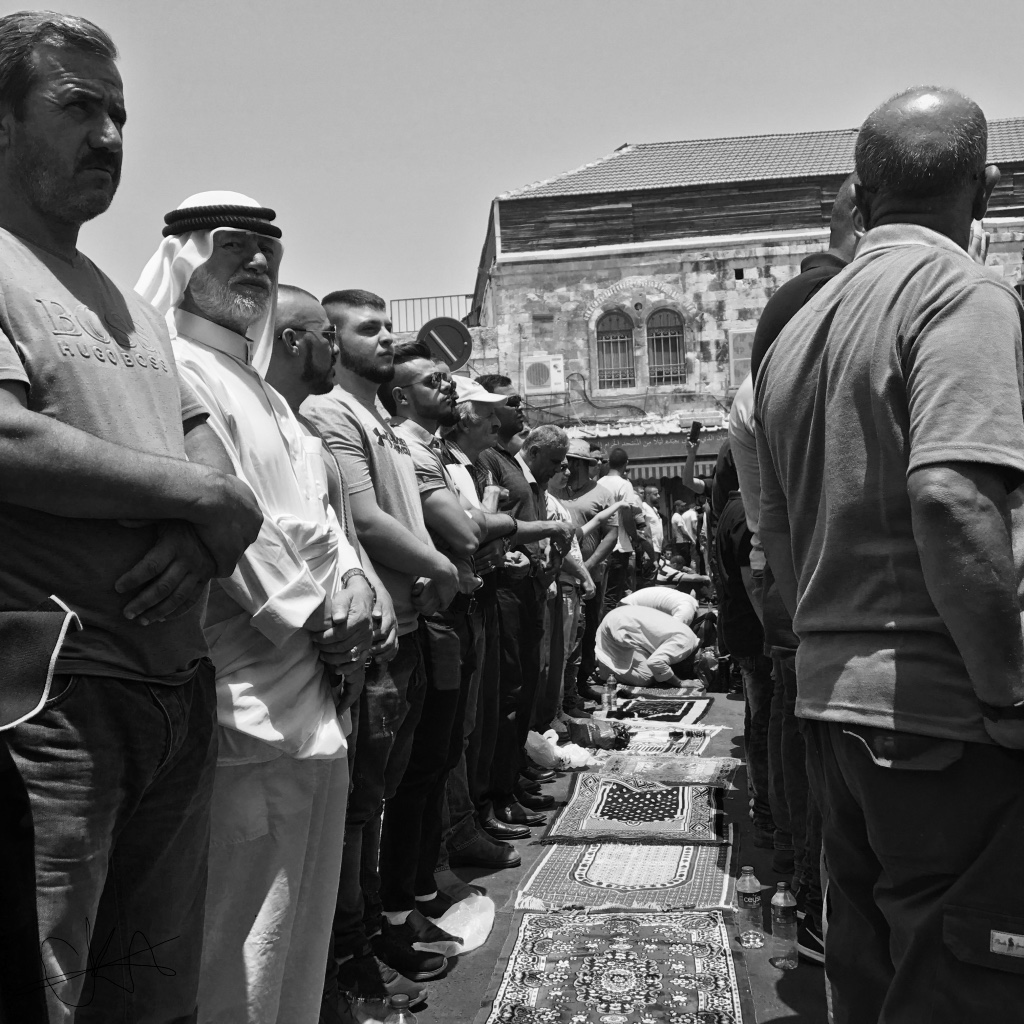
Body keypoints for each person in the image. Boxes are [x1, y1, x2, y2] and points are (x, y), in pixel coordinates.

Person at [0, 15, 263, 1022]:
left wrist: (205, 530)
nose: (109, 133)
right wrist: (198, 501)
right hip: (52, 704)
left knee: (152, 992)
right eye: (77, 107)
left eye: (118, 113)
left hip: (174, 692)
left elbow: (216, 467)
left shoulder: (131, 306)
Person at [757, 86, 1024, 1023]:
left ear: (861, 191)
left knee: (871, 974)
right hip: (944, 714)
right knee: (962, 982)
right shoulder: (963, 291)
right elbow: (953, 497)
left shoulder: (797, 330)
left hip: (838, 699)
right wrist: (1006, 688)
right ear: (984, 187)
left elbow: (776, 531)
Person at [137, 194, 377, 1024]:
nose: (258, 264)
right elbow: (229, 513)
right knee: (231, 948)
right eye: (235, 246)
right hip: (237, 707)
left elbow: (329, 525)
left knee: (299, 942)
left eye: (269, 249)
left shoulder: (275, 401)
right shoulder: (171, 370)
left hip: (318, 700)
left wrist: (352, 588)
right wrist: (319, 608)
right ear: (184, 257)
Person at [302, 290, 460, 1004]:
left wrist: (428, 573)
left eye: (387, 324)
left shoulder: (384, 423)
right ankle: (352, 957)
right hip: (375, 634)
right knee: (360, 808)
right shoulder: (330, 411)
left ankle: (373, 933)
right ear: (329, 339)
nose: (387, 336)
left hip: (408, 621)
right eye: (368, 328)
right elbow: (360, 519)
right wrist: (441, 567)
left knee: (384, 796)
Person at [730, 174, 863, 964]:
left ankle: (807, 891)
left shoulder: (762, 391)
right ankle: (815, 898)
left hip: (799, 591)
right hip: (827, 600)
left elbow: (767, 522)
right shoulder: (797, 389)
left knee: (797, 724)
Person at [377, 341, 492, 954]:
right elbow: (465, 531)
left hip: (444, 616)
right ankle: (403, 899)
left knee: (440, 752)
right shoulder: (406, 445)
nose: (449, 389)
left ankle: (420, 884)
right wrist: (452, 563)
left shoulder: (432, 450)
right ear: (400, 396)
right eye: (432, 382)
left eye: (449, 380)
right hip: (429, 617)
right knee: (419, 766)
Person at [436, 378, 531, 866]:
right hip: (450, 602)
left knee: (478, 716)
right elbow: (471, 529)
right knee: (454, 730)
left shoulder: (469, 462)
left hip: (477, 593)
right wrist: (496, 520)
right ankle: (461, 825)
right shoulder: (445, 458)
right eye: (489, 410)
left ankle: (472, 814)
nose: (498, 419)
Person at [476, 380, 575, 827]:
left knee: (525, 687)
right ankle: (495, 793)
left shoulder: (516, 466)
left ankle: (511, 779)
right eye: (510, 402)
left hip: (528, 588)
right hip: (504, 591)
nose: (521, 407)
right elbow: (492, 521)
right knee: (508, 692)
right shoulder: (488, 461)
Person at [550, 437, 620, 708]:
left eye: (572, 465)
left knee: (587, 629)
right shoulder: (553, 491)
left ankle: (580, 683)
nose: (568, 470)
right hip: (561, 576)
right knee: (565, 638)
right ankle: (564, 694)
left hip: (592, 575)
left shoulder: (602, 493)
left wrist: (587, 569)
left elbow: (610, 535)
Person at [595, 586, 703, 689]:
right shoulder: (685, 642)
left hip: (624, 616)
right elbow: (655, 662)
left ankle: (603, 661)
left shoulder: (688, 632)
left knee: (652, 664)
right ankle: (606, 671)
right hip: (620, 623)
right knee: (646, 677)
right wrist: (679, 682)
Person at [597, 446, 649, 610]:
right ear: (626, 463)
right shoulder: (624, 485)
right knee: (613, 596)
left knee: (601, 594)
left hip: (601, 547)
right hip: (620, 547)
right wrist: (634, 536)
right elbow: (627, 516)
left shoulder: (598, 483)